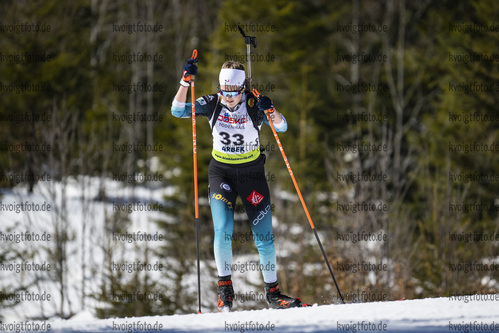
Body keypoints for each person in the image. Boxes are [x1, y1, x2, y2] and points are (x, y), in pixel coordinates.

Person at [171, 54, 307, 311]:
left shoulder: (254, 105)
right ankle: (225, 291)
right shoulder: (211, 103)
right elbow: (177, 111)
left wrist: (271, 109)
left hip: (251, 174)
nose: (229, 96)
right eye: (225, 90)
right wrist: (185, 81)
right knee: (223, 231)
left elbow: (283, 126)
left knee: (264, 237)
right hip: (221, 174)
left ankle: (274, 294)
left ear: (242, 87)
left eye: (234, 90)